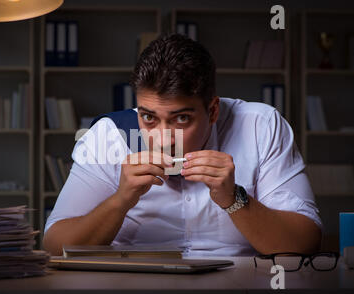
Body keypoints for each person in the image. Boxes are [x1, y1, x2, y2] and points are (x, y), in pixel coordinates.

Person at [43, 33, 322, 257]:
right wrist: (120, 201)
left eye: (181, 118)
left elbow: (305, 242)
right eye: (149, 117)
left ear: (212, 111)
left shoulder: (261, 126)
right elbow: (55, 245)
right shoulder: (108, 136)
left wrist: (234, 200)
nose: (164, 138)